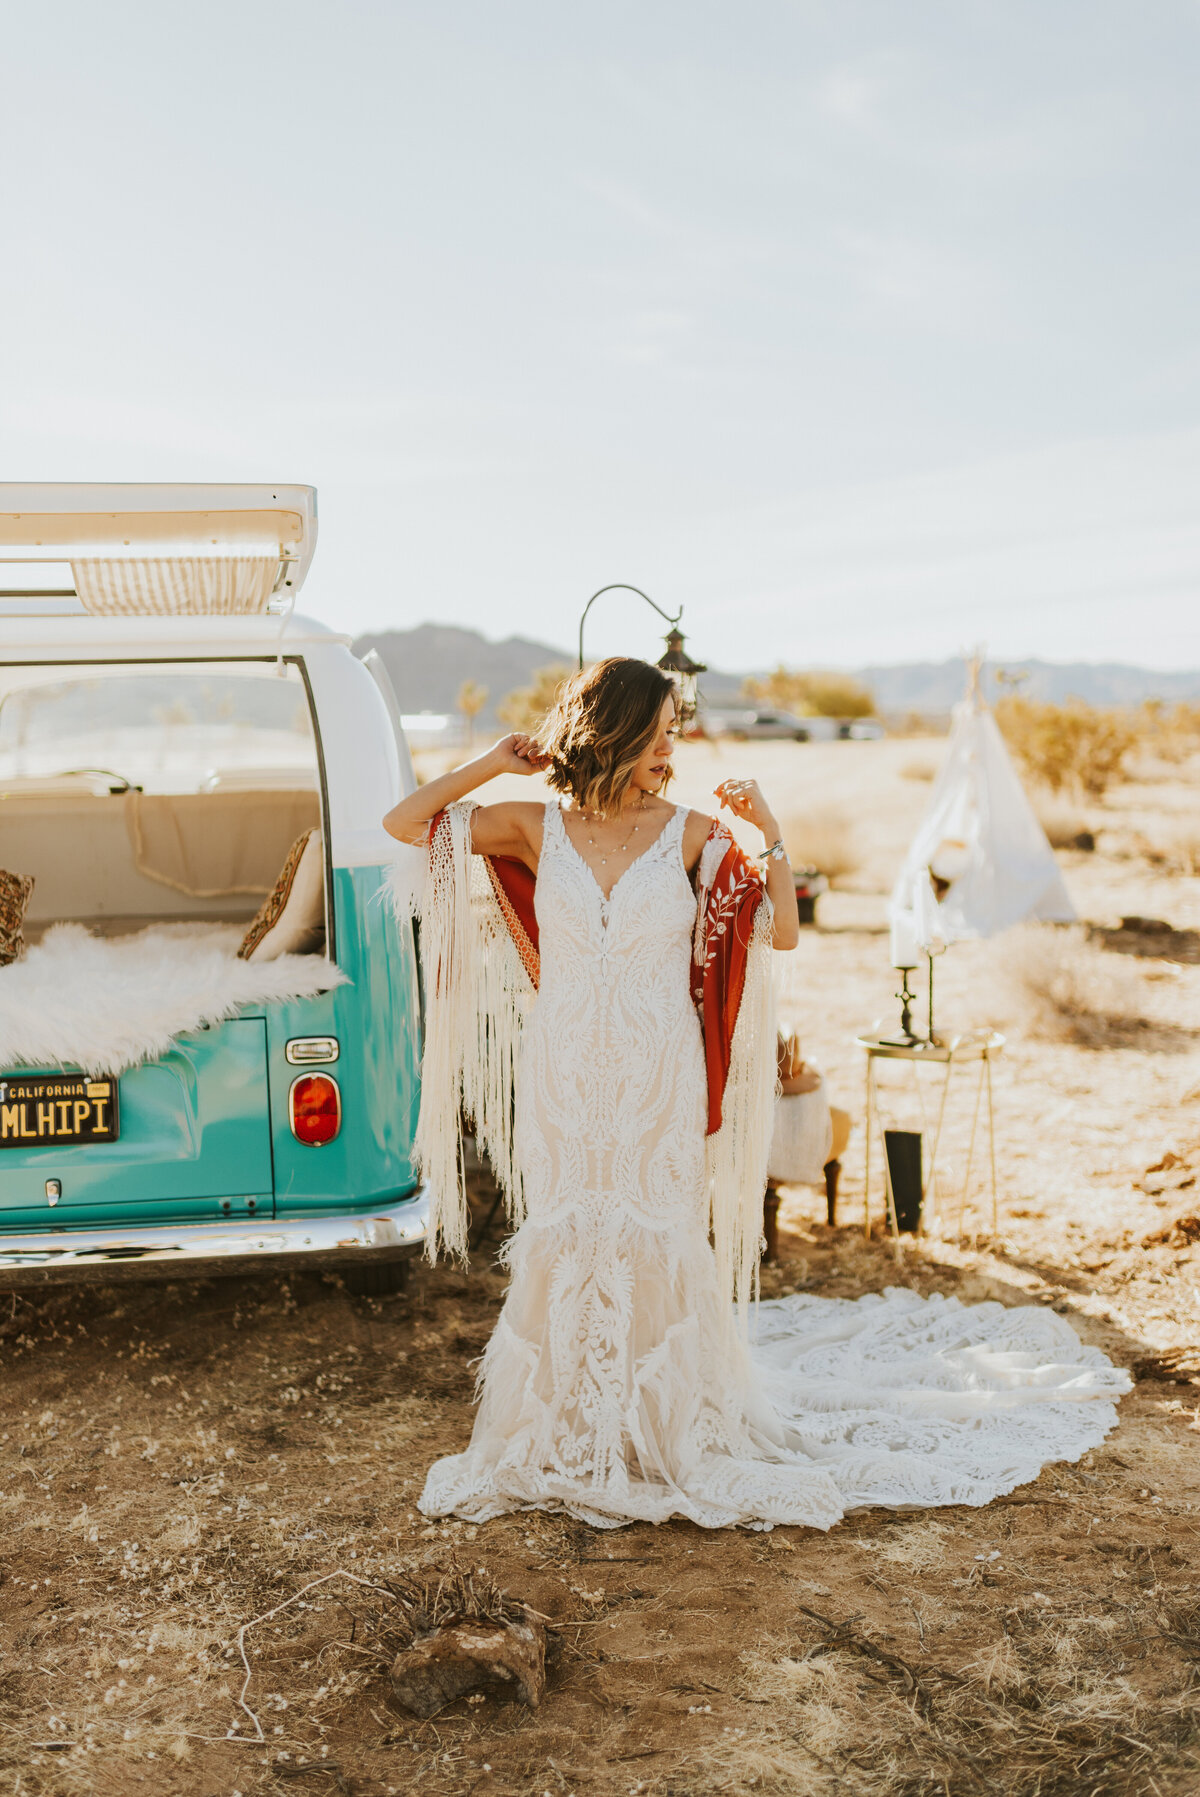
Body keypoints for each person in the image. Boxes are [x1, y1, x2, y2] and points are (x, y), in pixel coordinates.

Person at [383, 657, 1129, 1531]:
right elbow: (406, 823)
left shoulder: (694, 833)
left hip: (659, 1071)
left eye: (675, 730)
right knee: (569, 1226)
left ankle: (660, 1427)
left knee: (655, 1229)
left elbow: (785, 933)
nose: (674, 746)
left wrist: (768, 829)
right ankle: (563, 1427)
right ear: (614, 734)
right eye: (659, 731)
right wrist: (495, 764)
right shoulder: (531, 825)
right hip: (564, 1071)